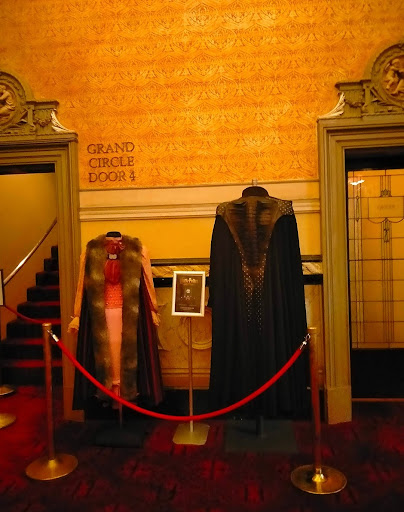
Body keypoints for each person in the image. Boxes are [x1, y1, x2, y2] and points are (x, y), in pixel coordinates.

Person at [208, 186, 309, 418]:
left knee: (241, 340)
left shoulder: (224, 212)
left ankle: (238, 401)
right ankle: (278, 400)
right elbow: (291, 267)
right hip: (274, 297)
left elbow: (218, 264)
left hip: (236, 297)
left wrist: (216, 299)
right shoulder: (283, 211)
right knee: (273, 339)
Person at [68, 232, 163, 410]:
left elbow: (147, 283)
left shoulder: (138, 251)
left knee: (126, 355)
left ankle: (126, 396)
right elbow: (82, 286)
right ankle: (109, 395)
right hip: (101, 317)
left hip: (130, 317)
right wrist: (77, 314)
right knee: (107, 357)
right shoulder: (90, 253)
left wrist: (152, 309)